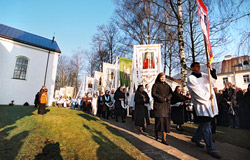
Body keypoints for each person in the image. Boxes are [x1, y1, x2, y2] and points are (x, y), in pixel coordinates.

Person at [187, 62, 221, 159]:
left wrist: (210, 69)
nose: (198, 67)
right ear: (192, 68)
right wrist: (207, 96)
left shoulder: (203, 75)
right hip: (202, 104)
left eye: (199, 66)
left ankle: (196, 138)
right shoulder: (191, 78)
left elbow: (213, 80)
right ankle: (211, 149)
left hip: (210, 103)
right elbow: (196, 90)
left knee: (205, 124)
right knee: (206, 126)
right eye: (196, 66)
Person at [152, 72, 173, 145]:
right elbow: (154, 94)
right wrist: (161, 98)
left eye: (164, 77)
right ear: (159, 77)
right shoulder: (155, 85)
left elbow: (171, 93)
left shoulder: (167, 85)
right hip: (159, 106)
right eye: (161, 77)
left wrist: (167, 98)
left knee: (166, 123)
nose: (162, 79)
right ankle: (156, 133)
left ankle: (164, 138)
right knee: (159, 121)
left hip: (166, 106)